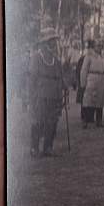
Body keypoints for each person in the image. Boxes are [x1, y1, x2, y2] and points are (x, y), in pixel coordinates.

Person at [28, 27, 65, 157]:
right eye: (50, 41)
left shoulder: (56, 59)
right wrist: (31, 96)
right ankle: (34, 148)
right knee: (38, 121)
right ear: (44, 42)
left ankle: (48, 146)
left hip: (54, 95)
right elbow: (32, 78)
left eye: (54, 41)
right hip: (41, 94)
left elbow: (60, 77)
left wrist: (62, 91)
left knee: (52, 121)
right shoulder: (36, 57)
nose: (53, 43)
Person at [80, 39, 104, 129]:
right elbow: (84, 70)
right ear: (94, 47)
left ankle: (99, 120)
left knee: (100, 100)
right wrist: (83, 83)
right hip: (92, 77)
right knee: (88, 100)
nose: (99, 47)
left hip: (102, 78)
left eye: (100, 46)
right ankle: (85, 120)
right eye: (97, 46)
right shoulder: (89, 56)